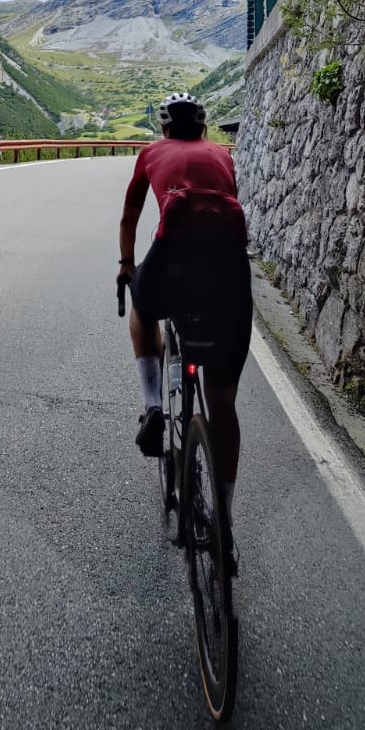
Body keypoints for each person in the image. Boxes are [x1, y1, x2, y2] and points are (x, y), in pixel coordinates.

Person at [117, 91, 252, 520]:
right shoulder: (222, 156)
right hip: (227, 275)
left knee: (142, 306)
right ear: (205, 128)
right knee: (223, 405)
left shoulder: (151, 152)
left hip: (172, 262)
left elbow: (130, 216)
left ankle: (154, 406)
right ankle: (224, 520)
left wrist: (125, 266)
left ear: (164, 128)